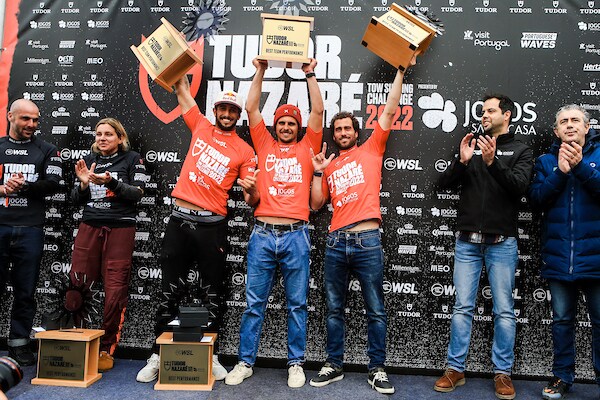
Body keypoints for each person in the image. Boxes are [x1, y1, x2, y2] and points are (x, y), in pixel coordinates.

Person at [136, 75, 259, 383]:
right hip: (180, 219)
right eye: (223, 109)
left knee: (212, 293)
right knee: (168, 290)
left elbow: (250, 197)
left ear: (238, 115)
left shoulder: (244, 151)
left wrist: (252, 188)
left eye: (232, 111)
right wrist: (174, 64)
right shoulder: (201, 125)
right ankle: (156, 354)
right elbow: (180, 90)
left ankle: (212, 354)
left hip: (212, 227)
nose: (227, 115)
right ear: (215, 110)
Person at [307, 59, 416, 394]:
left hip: (368, 238)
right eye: (337, 130)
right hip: (337, 241)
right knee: (334, 309)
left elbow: (390, 109)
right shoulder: (329, 163)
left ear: (356, 133)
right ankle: (334, 365)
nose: (342, 134)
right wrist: (317, 172)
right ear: (334, 135)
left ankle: (377, 369)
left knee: (376, 310)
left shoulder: (372, 148)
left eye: (347, 129)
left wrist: (401, 71)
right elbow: (314, 205)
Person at [225, 57, 323, 388]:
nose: (285, 127)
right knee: (254, 304)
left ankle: (295, 363)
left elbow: (318, 113)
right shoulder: (263, 143)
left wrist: (309, 73)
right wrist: (261, 70)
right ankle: (244, 362)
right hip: (263, 234)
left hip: (296, 235)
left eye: (291, 124)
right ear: (275, 126)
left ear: (298, 129)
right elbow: (252, 109)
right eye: (281, 122)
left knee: (297, 305)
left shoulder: (309, 146)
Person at [433, 94, 533, 400]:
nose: (485, 115)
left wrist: (492, 164)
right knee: (462, 307)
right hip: (466, 243)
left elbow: (519, 188)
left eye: (490, 111)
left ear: (507, 115)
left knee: (504, 310)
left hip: (501, 244)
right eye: (483, 111)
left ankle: (502, 373)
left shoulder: (521, 149)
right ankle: (455, 369)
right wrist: (462, 162)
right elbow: (444, 185)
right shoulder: (471, 144)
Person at [529, 104, 600, 399]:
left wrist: (581, 167)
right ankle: (562, 376)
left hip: (596, 260)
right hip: (559, 258)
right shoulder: (546, 161)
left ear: (587, 127)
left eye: (575, 121)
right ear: (556, 131)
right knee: (561, 323)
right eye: (563, 122)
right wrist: (560, 172)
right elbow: (536, 199)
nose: (569, 125)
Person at [70, 118, 149, 371]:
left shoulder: (132, 159)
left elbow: (137, 193)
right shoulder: (87, 159)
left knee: (115, 291)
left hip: (120, 229)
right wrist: (83, 183)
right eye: (99, 134)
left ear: (120, 138)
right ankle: (78, 343)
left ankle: (106, 348)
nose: (102, 138)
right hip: (89, 226)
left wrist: (111, 183)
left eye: (108, 134)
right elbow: (75, 199)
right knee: (77, 285)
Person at [0, 99, 62, 366]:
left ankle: (20, 343)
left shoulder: (47, 149)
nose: (32, 125)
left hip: (31, 229)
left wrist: (24, 187)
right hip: (0, 226)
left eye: (36, 120)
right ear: (10, 116)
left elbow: (52, 185)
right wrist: (2, 189)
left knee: (25, 291)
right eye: (26, 119)